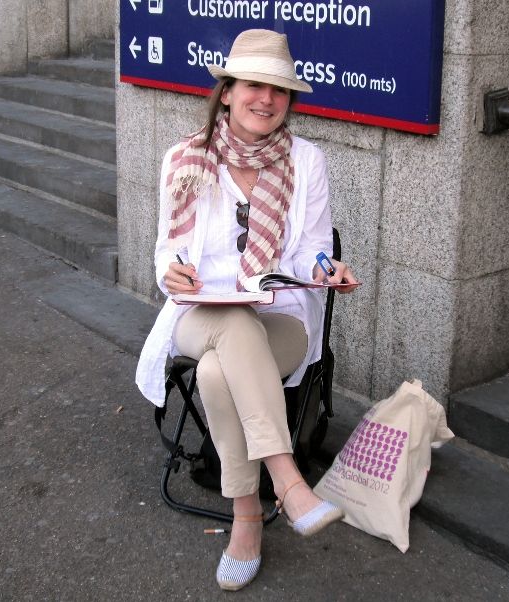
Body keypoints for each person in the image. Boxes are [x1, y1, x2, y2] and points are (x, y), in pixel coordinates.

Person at [135, 28, 359, 591]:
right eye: (254, 85)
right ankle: (287, 479)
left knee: (217, 370)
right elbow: (167, 249)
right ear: (228, 91)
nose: (267, 99)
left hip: (279, 317)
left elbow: (310, 246)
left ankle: (247, 519)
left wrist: (325, 269)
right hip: (198, 315)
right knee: (229, 323)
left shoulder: (306, 161)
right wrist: (170, 270)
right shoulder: (184, 159)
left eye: (279, 90)